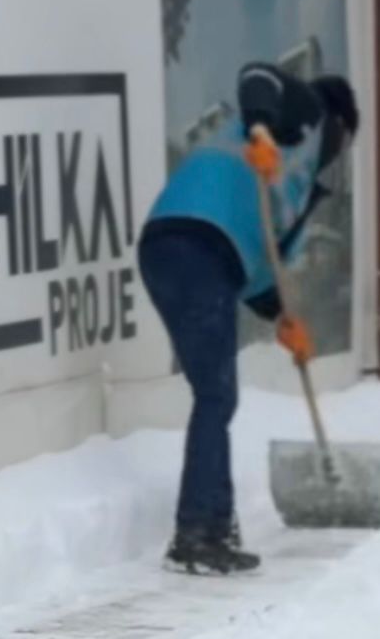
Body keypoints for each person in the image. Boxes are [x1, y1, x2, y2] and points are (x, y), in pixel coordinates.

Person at [140, 63, 358, 576]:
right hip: (196, 241)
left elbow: (264, 270)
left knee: (215, 392)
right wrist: (261, 125)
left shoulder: (298, 190)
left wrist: (284, 320)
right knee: (216, 394)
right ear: (341, 126)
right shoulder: (303, 112)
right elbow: (258, 76)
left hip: (182, 250)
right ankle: (198, 533)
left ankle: (213, 521)